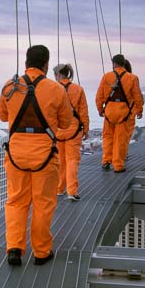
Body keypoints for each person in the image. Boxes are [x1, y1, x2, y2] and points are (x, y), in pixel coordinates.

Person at [0, 44, 74, 266]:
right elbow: (66, 122)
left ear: (25, 63)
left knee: (16, 202)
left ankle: (14, 247)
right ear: (46, 64)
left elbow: (3, 116)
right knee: (43, 203)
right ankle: (41, 252)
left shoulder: (10, 86)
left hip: (16, 155)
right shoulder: (56, 89)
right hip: (44, 155)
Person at [95, 54, 143, 172]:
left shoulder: (106, 77)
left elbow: (99, 96)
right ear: (124, 63)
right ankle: (118, 165)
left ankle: (106, 160)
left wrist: (100, 109)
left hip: (109, 112)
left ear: (114, 63)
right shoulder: (132, 78)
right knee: (120, 140)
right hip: (124, 113)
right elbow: (137, 97)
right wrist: (139, 110)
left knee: (107, 137)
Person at [52, 63, 89, 201]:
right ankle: (72, 191)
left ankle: (59, 188)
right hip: (73, 129)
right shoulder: (78, 89)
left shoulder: (53, 89)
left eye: (55, 75)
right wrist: (85, 128)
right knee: (72, 160)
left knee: (60, 161)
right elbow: (83, 111)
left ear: (58, 74)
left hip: (58, 130)